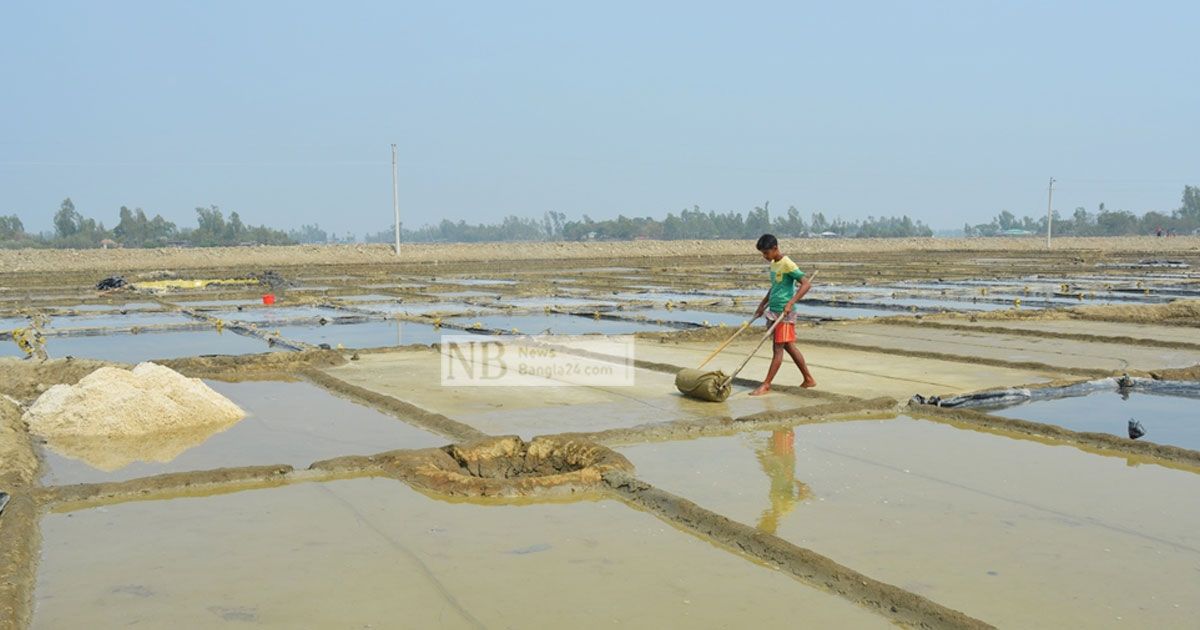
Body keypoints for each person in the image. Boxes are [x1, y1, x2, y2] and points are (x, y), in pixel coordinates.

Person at [751, 234, 815, 395]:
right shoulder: (774, 264)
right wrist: (762, 305)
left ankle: (766, 384)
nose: (765, 257)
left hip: (784, 314)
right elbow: (774, 287)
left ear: (775, 248)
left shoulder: (787, 263)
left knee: (778, 348)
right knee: (788, 346)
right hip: (774, 311)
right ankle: (808, 379)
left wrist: (791, 302)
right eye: (763, 254)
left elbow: (806, 284)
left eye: (766, 253)